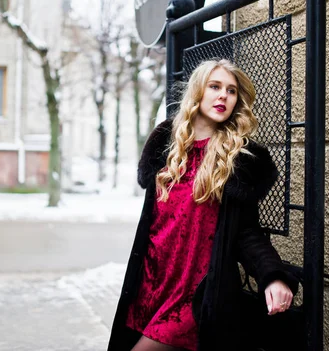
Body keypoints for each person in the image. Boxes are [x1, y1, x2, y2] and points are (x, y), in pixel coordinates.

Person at [107, 59, 299, 351]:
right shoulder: (166, 147)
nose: (223, 95)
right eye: (215, 86)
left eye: (231, 91)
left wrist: (272, 276)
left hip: (195, 294)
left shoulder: (238, 160)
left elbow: (247, 233)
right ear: (198, 90)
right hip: (151, 284)